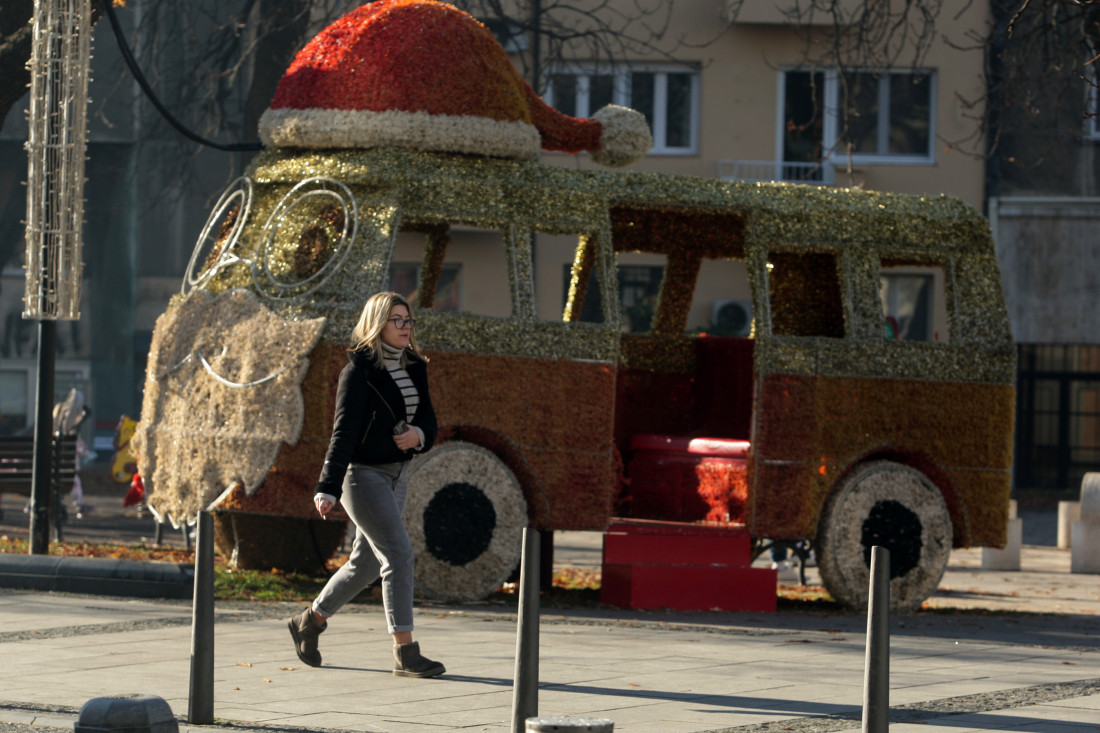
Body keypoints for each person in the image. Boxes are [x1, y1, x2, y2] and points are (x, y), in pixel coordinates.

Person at [287, 291, 444, 678]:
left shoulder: (414, 366)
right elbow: (343, 433)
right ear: (377, 324)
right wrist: (327, 486)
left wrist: (419, 436)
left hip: (399, 473)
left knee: (366, 564)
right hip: (362, 476)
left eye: (408, 320)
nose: (405, 327)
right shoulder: (357, 373)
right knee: (399, 556)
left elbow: (428, 419)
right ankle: (405, 652)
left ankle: (310, 621)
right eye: (396, 320)